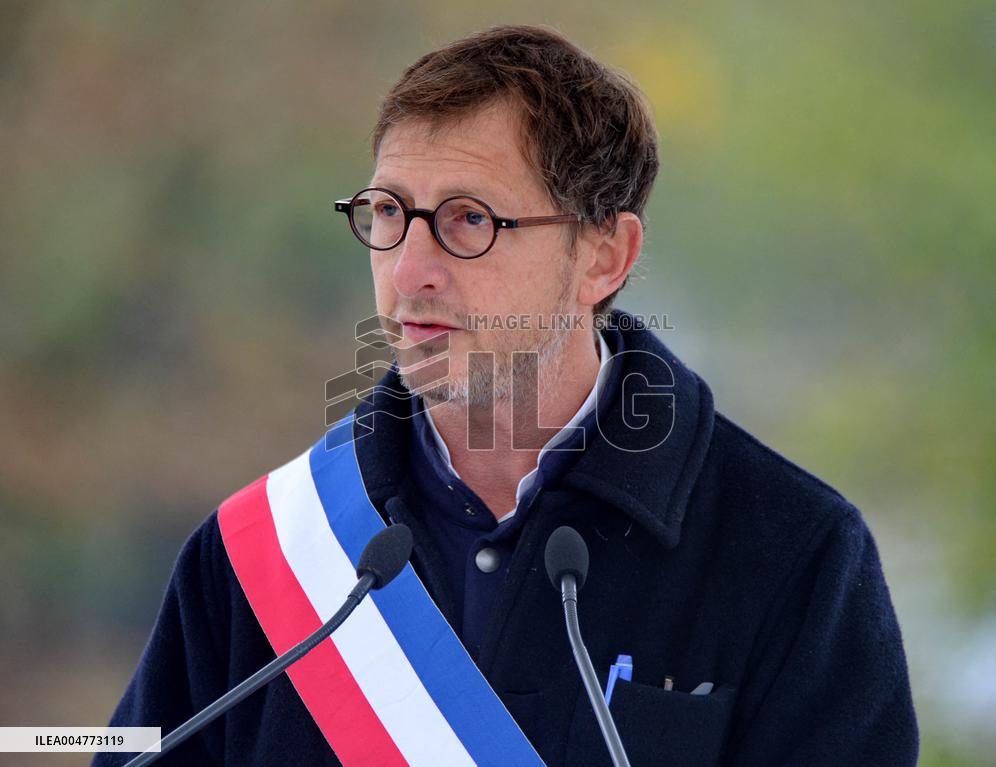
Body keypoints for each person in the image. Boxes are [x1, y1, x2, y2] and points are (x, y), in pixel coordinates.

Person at [97, 24, 919, 767]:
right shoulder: (259, 552)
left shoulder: (795, 556)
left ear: (604, 256)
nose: (408, 269)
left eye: (468, 221)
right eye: (387, 212)